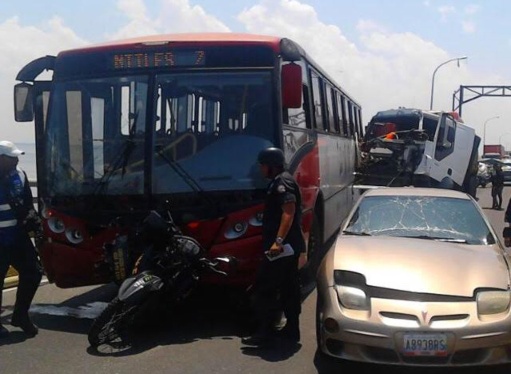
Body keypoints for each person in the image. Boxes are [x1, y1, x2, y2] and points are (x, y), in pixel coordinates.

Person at [241, 147, 306, 347]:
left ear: (271, 166)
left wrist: (277, 242)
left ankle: (264, 332)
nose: (260, 169)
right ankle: (291, 330)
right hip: (287, 248)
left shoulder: (282, 183)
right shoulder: (279, 181)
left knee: (265, 289)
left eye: (262, 165)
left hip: (281, 250)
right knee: (289, 289)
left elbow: (289, 212)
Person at [0, 140, 43, 338]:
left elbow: (27, 204)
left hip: (17, 237)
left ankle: (20, 315)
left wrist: (32, 219)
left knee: (33, 273)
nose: (16, 160)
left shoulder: (20, 175)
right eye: (11, 157)